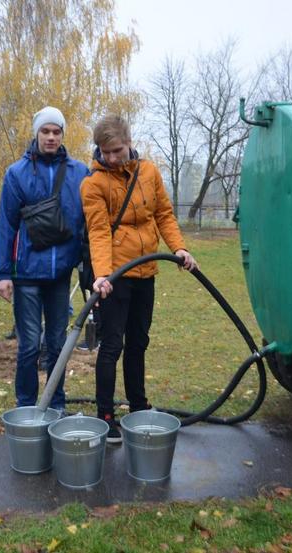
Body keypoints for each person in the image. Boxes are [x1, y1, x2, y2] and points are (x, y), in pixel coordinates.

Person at [81, 114, 198, 444]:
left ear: (129, 142)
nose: (112, 158)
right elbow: (99, 231)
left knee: (138, 342)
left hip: (147, 272)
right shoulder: (93, 183)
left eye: (117, 150)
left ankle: (138, 405)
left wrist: (179, 248)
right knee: (112, 345)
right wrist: (102, 274)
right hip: (115, 278)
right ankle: (105, 414)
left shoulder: (149, 172)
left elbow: (163, 214)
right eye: (105, 152)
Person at [0, 106, 88, 412]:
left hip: (60, 274)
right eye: (45, 131)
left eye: (56, 131)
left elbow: (88, 221)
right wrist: (3, 273)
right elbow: (6, 225)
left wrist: (88, 266)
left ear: (63, 134)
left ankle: (55, 404)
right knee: (30, 345)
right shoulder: (16, 173)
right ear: (36, 133)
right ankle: (25, 406)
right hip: (26, 274)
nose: (50, 137)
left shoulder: (79, 173)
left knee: (58, 346)